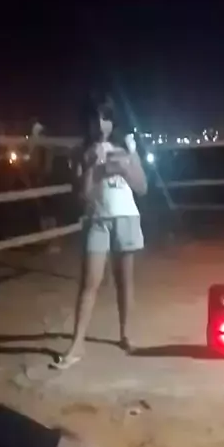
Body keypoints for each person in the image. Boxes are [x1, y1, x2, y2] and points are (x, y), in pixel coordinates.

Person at [54, 93, 147, 369]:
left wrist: (125, 167)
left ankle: (126, 335)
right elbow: (82, 195)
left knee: (124, 281)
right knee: (89, 283)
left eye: (106, 117)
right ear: (87, 121)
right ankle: (77, 344)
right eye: (95, 118)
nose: (100, 124)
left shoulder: (126, 146)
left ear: (112, 120)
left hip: (126, 217)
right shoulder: (81, 152)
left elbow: (142, 187)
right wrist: (94, 167)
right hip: (96, 220)